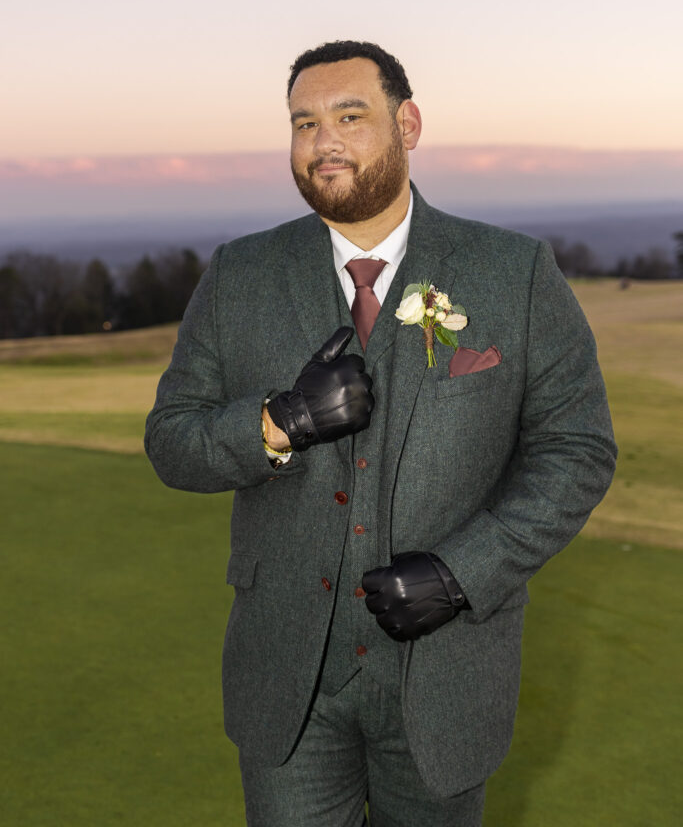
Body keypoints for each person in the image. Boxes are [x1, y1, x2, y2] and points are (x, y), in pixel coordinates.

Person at [145, 40, 617, 826]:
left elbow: (576, 451)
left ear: (408, 124)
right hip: (286, 684)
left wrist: (463, 572)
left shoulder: (516, 272)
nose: (322, 141)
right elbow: (172, 440)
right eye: (302, 123)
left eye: (348, 116)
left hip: (447, 680)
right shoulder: (238, 276)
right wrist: (278, 423)